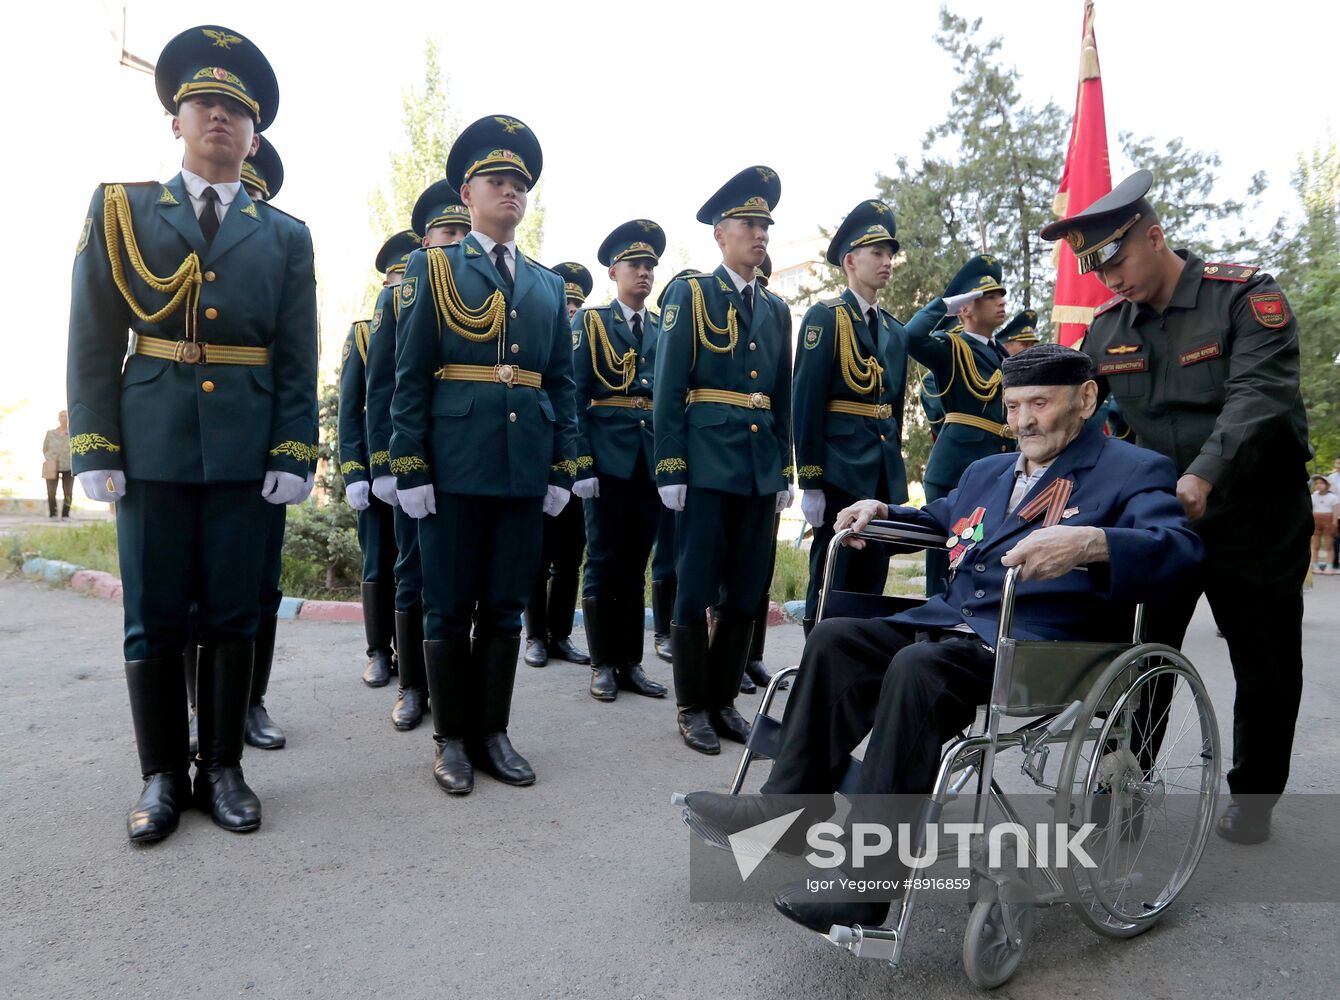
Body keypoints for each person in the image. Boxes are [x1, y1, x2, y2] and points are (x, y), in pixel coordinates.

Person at [683, 344, 1203, 932]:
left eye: (1040, 403)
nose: (1025, 421)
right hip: (954, 626)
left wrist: (1092, 544)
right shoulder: (987, 470)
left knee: (917, 668)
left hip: (1045, 645)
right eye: (1013, 406)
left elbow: (1180, 551)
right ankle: (790, 807)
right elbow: (943, 523)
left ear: (1085, 400)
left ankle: (865, 883)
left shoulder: (1131, 468)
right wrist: (881, 511)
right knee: (834, 638)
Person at [67, 26, 317, 842]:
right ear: (176, 119)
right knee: (155, 616)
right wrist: (96, 445)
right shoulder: (124, 209)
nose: (220, 118)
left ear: (255, 135)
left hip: (245, 448)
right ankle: (162, 778)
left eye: (237, 111)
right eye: (204, 103)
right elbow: (94, 337)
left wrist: (292, 448)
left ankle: (225, 770)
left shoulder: (286, 235)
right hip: (153, 443)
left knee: (234, 616)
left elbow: (294, 352)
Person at [1050, 168, 1313, 844]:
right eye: (1095, 269)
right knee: (1137, 654)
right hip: (1163, 519)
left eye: (1117, 259)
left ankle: (1253, 797)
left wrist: (1203, 474)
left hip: (1254, 514)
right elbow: (1078, 415)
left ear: (1155, 236)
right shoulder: (1109, 330)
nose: (1109, 281)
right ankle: (1124, 783)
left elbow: (1259, 396)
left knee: (1264, 663)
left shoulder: (1243, 298)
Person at [391, 114, 578, 796]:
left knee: (502, 606)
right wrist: (407, 465)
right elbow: (408, 376)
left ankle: (493, 731)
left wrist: (564, 467)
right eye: (498, 181)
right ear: (467, 193)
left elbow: (562, 384)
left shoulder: (547, 285)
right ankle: (450, 740)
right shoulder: (432, 268)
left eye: (520, 184)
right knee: (446, 607)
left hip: (522, 466)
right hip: (453, 464)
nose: (512, 193)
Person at [653, 165, 793, 755]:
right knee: (694, 588)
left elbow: (780, 396)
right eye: (748, 223)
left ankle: (722, 701)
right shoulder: (692, 293)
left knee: (745, 591)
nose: (759, 234)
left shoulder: (776, 309)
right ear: (720, 233)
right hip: (707, 464)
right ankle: (691, 706)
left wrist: (785, 469)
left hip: (759, 467)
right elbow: (668, 386)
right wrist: (671, 466)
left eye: (764, 224)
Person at [793, 199, 947, 635]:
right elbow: (806, 402)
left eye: (889, 254)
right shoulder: (826, 318)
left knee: (870, 582)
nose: (887, 262)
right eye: (877, 253)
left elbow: (893, 414)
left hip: (878, 472)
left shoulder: (894, 330)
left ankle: (856, 665)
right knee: (831, 575)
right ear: (850, 260)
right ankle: (816, 663)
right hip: (840, 469)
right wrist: (811, 481)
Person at [570, 222, 670, 702]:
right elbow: (575, 398)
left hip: (649, 461)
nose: (645, 273)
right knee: (604, 559)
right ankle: (602, 663)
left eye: (650, 266)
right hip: (606, 457)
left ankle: (630, 663)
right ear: (613, 272)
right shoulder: (590, 323)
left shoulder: (662, 328)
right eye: (636, 265)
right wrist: (581, 464)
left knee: (636, 563)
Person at [366, 224, 443, 731]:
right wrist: (383, 465)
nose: (455, 239)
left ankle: (449, 684)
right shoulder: (399, 300)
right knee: (412, 573)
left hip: (465, 461)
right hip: (412, 459)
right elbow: (380, 390)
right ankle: (412, 685)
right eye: (446, 232)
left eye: (462, 228)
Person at [909, 255, 1016, 596]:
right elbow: (911, 336)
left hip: (995, 468)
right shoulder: (952, 348)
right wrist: (945, 305)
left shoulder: (1004, 356)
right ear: (967, 307)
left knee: (980, 556)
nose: (1001, 301)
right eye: (989, 296)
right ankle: (933, 628)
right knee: (947, 558)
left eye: (1001, 294)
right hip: (956, 468)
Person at [523, 261, 595, 669]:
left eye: (575, 306)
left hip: (574, 466)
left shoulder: (589, 344)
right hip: (539, 463)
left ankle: (561, 635)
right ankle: (535, 635)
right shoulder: (540, 344)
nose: (569, 312)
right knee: (538, 554)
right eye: (564, 304)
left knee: (570, 556)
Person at [339, 313, 397, 688]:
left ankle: (411, 649)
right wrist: (354, 471)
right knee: (377, 560)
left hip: (427, 468)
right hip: (376, 471)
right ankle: (378, 651)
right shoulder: (364, 333)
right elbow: (349, 408)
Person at [649, 269, 696, 665]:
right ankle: (663, 629)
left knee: (689, 550)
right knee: (666, 549)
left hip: (700, 452)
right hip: (666, 454)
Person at [42, 411, 73, 519]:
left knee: (68, 492)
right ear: (58, 418)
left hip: (68, 466)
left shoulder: (73, 433)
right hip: (52, 466)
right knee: (51, 492)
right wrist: (49, 458)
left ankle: (65, 515)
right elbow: (45, 448)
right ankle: (53, 514)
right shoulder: (50, 433)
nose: (63, 418)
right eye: (61, 416)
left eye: (65, 416)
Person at [1311, 475, 1338, 574]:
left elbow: (1335, 512)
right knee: (1315, 545)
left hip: (1328, 521)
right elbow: (1311, 509)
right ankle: (1315, 565)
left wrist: (1334, 523)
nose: (1318, 485)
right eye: (1316, 483)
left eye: (1321, 483)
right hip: (1316, 521)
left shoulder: (1333, 497)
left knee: (1329, 545)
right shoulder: (1313, 496)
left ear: (1327, 485)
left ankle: (1329, 566)